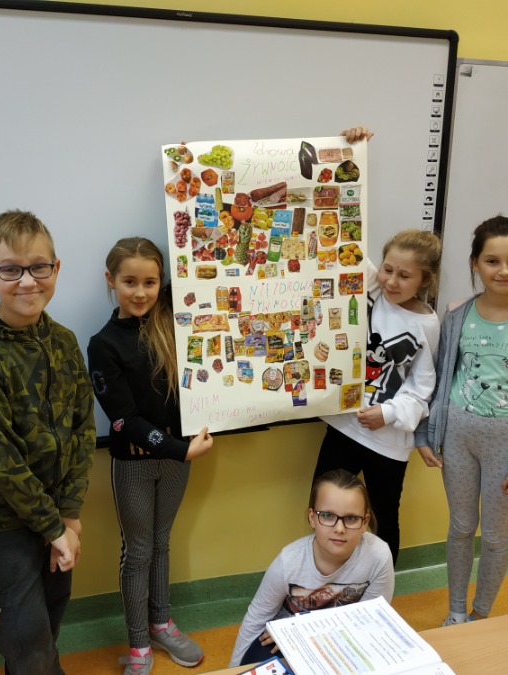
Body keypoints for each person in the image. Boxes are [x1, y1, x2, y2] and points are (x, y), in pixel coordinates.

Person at [0, 210, 95, 674]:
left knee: (49, 624)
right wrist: (53, 527)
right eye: (11, 269)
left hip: (58, 518)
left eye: (39, 267)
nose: (27, 281)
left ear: (55, 268)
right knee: (26, 643)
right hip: (5, 526)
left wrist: (69, 513)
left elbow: (83, 427)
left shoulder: (64, 341)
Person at [415, 215, 508, 625]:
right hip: (458, 437)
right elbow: (438, 378)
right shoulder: (456, 314)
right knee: (461, 527)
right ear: (475, 264)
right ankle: (456, 612)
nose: (503, 270)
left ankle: (480, 615)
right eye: (492, 261)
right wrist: (425, 433)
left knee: (496, 536)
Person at [88, 237, 214, 675]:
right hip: (136, 462)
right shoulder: (104, 344)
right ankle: (138, 643)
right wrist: (182, 450)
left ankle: (161, 623)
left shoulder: (173, 322)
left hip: (179, 458)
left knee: (162, 541)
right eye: (129, 282)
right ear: (111, 281)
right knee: (138, 549)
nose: (140, 292)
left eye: (150, 282)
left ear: (163, 282)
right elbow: (123, 419)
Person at [314, 228, 442, 565]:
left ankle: (379, 588)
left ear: (425, 280)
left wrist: (387, 413)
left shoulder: (428, 325)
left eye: (405, 276)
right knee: (323, 507)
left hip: (388, 443)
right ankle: (325, 579)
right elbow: (346, 237)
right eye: (388, 269)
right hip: (343, 428)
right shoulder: (373, 287)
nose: (392, 281)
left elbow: (422, 389)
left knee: (383, 517)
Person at [229, 469, 393, 667]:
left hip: (343, 637)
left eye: (351, 518)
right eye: (328, 515)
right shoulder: (288, 561)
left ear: (365, 522)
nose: (339, 529)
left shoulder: (378, 556)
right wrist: (233, 671)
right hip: (287, 639)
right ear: (312, 518)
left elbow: (369, 621)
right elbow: (256, 618)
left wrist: (305, 632)